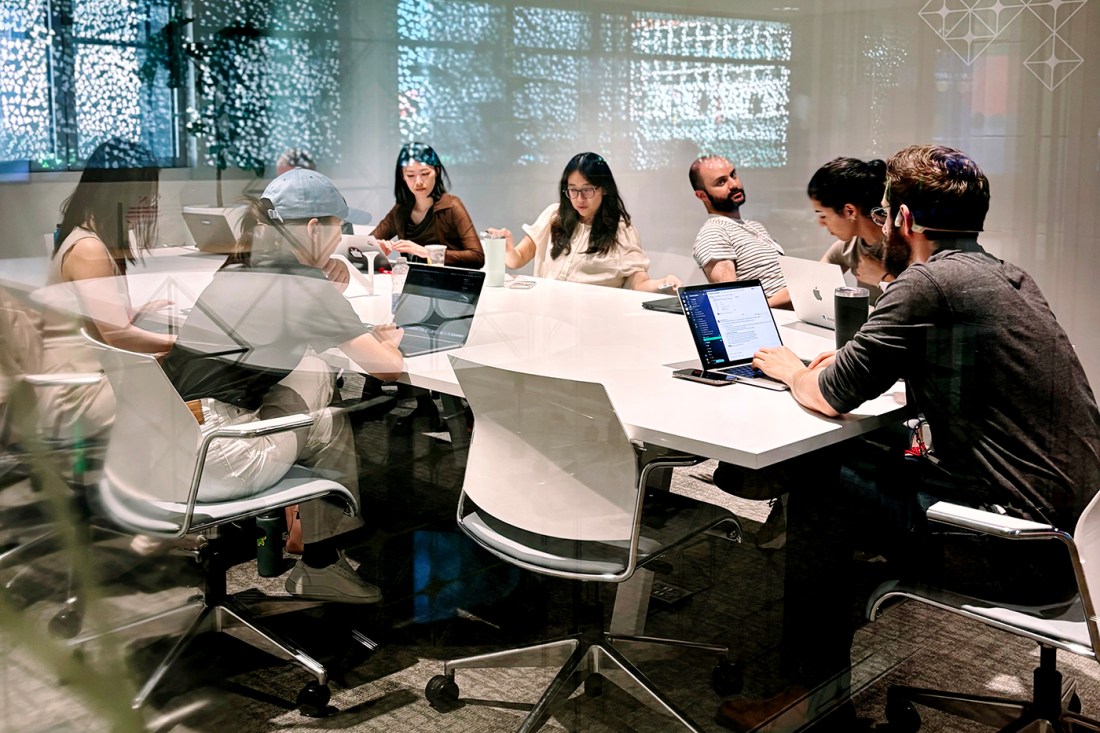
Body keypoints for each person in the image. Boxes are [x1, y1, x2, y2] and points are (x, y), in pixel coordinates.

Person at [713, 145, 1100, 730]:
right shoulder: (1008, 277)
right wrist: (846, 361)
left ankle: (809, 698)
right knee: (862, 456)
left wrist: (792, 369)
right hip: (1078, 539)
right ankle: (848, 624)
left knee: (822, 483)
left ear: (903, 220)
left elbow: (829, 395)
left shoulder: (925, 283)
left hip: (1020, 551)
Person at [160, 168, 405, 604]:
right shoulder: (302, 284)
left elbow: (275, 330)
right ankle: (321, 563)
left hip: (168, 445)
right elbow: (387, 368)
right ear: (313, 228)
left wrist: (325, 297)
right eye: (338, 229)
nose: (339, 240)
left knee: (313, 371)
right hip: (221, 457)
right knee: (326, 412)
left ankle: (299, 540)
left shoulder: (238, 266)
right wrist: (386, 341)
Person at [39, 138, 176, 441]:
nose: (150, 202)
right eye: (144, 193)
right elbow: (116, 334)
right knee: (189, 380)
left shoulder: (88, 237)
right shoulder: (90, 249)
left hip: (81, 385)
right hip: (78, 396)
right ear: (120, 194)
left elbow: (94, 320)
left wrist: (139, 311)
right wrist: (177, 344)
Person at [489, 152, 681, 292]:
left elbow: (638, 283)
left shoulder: (621, 231)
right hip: (545, 314)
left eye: (587, 190)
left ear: (604, 189)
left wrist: (663, 282)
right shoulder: (553, 215)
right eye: (573, 190)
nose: (579, 199)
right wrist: (506, 248)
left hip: (592, 321)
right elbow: (517, 259)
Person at [689, 155, 789, 308]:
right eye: (721, 182)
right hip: (779, 322)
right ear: (702, 195)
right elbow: (733, 302)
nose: (734, 184)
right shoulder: (713, 232)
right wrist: (794, 295)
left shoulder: (755, 226)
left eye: (733, 175)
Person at [371, 142, 484, 268]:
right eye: (410, 175)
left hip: (449, 282)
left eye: (424, 174)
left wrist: (428, 253)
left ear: (437, 171)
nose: (418, 182)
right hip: (412, 283)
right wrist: (377, 248)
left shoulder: (452, 206)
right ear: (402, 176)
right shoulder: (401, 210)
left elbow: (477, 257)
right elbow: (363, 246)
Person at [807, 157, 889, 302]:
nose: (821, 223)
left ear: (849, 211)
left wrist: (882, 278)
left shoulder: (904, 245)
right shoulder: (849, 246)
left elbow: (926, 304)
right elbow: (810, 285)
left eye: (823, 215)